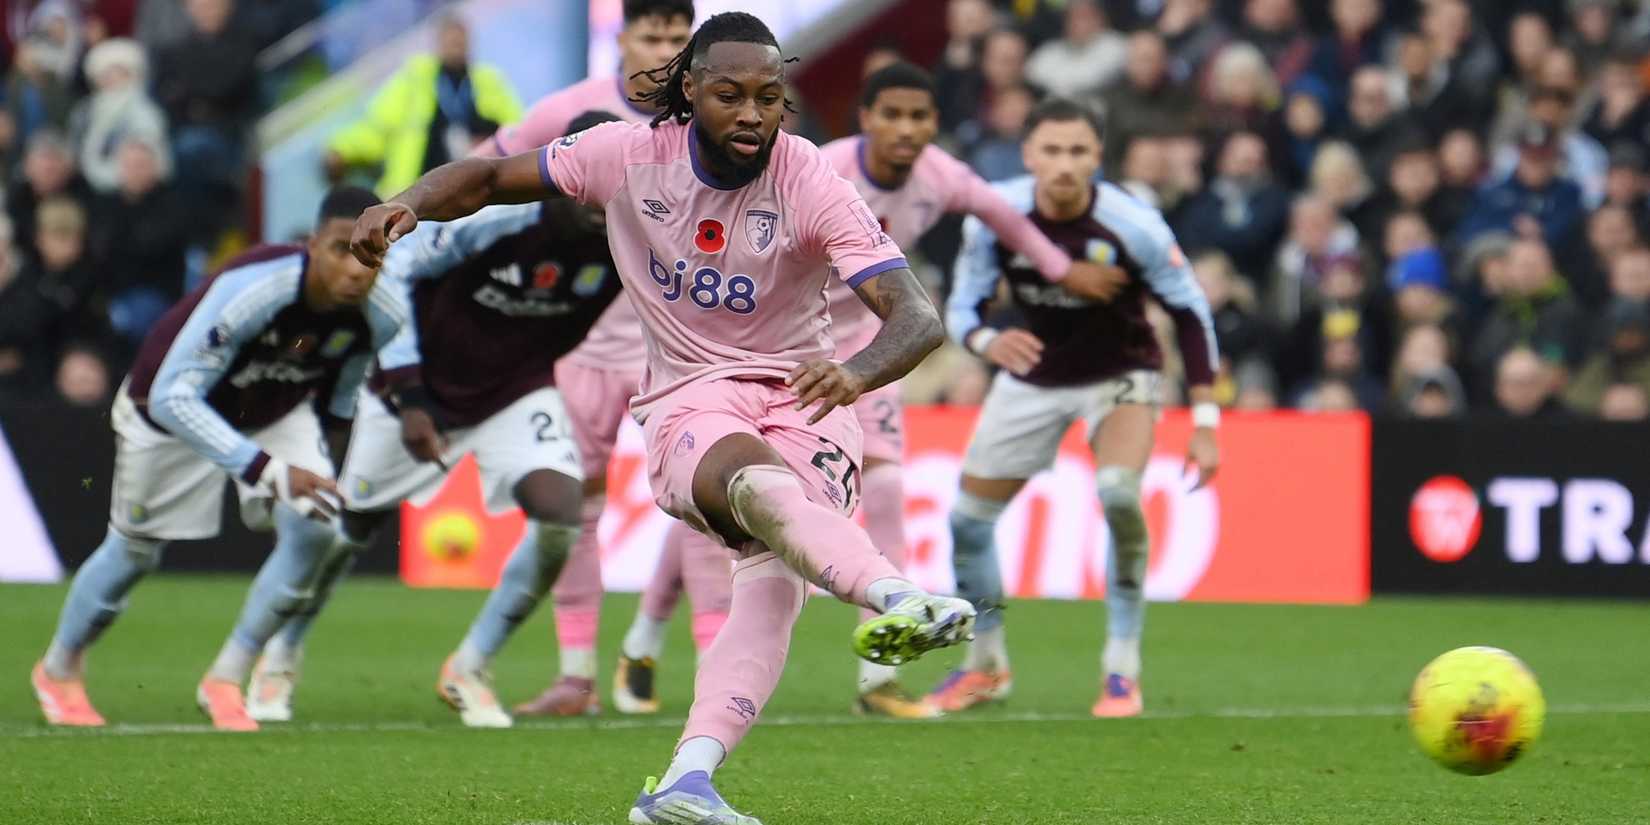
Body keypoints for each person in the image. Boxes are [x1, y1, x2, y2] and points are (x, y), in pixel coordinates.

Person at [348, 14, 1125, 822]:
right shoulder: (624, 153)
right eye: (731, 95)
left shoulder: (812, 179)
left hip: (807, 396)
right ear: (689, 91)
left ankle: (687, 780)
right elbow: (485, 178)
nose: (753, 114)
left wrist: (853, 373)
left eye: (768, 96)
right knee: (757, 485)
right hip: (691, 396)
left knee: (773, 587)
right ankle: (894, 592)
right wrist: (401, 203)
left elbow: (915, 317)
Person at [626, 61, 1119, 720]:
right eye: (893, 115)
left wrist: (1062, 269)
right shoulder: (812, 165)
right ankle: (646, 635)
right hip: (776, 347)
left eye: (920, 117)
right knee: (722, 494)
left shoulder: (943, 177)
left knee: (883, 489)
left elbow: (1008, 216)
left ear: (935, 125)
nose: (906, 130)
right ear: (867, 120)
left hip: (868, 353)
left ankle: (876, 673)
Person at [202, 110, 633, 730]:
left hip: (512, 391)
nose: (602, 201)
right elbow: (396, 267)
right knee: (349, 530)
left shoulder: (632, 236)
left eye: (614, 187)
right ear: (565, 175)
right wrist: (407, 392)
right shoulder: (501, 218)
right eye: (590, 186)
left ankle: (471, 665)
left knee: (561, 512)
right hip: (419, 384)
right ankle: (283, 651)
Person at [30, 187, 405, 729]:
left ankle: (227, 676)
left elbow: (343, 389)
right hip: (169, 408)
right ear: (310, 244)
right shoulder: (258, 288)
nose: (355, 268)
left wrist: (322, 463)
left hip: (275, 408)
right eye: (340, 249)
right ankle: (59, 668)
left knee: (317, 528)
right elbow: (172, 394)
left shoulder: (383, 313)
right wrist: (268, 472)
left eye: (370, 253)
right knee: (136, 554)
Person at [931, 98, 1219, 719]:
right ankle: (985, 666)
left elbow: (1191, 313)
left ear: (1097, 158)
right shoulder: (995, 214)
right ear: (1029, 155)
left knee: (1118, 494)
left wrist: (1205, 421)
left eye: (1078, 152)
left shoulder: (1133, 223)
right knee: (967, 521)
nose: (1064, 165)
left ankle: (1121, 670)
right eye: (1052, 151)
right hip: (1034, 375)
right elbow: (962, 309)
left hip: (1121, 373)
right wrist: (985, 341)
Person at [474, 0, 697, 718]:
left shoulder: (706, 121)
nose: (664, 46)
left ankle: (695, 651)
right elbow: (485, 171)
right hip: (581, 348)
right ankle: (576, 674)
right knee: (574, 512)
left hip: (678, 347)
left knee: (706, 502)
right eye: (651, 33)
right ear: (621, 36)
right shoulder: (571, 111)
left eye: (676, 34)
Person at [326, 12, 523, 197]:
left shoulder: (489, 82)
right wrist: (341, 148)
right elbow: (377, 127)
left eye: (460, 40)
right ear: (438, 43)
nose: (456, 45)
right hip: (417, 193)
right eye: (450, 40)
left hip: (477, 189)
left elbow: (515, 130)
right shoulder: (413, 80)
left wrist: (492, 143)